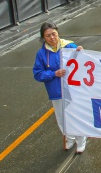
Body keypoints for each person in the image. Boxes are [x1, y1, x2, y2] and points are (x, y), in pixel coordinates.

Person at [33, 22, 87, 153]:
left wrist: (81, 51)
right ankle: (69, 138)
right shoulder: (41, 54)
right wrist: (53, 74)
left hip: (72, 90)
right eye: (48, 36)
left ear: (58, 33)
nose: (52, 38)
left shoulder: (69, 46)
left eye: (53, 34)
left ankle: (81, 141)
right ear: (43, 38)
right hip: (56, 91)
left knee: (75, 115)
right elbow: (38, 73)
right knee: (62, 119)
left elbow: (83, 62)